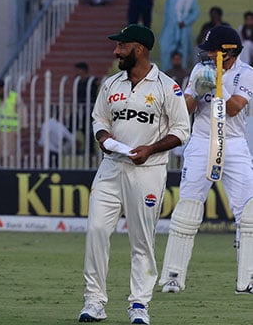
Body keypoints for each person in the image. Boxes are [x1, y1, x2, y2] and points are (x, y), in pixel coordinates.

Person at [78, 24, 190, 324]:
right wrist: (103, 138)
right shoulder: (111, 84)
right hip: (111, 168)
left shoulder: (167, 86)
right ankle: (94, 301)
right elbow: (98, 118)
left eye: (121, 46)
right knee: (97, 231)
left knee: (142, 240)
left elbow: (182, 131)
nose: (116, 51)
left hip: (148, 172)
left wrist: (150, 149)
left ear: (139, 49)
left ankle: (139, 305)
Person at [159, 25, 253, 295]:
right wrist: (197, 91)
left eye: (213, 50)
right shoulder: (201, 71)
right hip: (201, 140)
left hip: (234, 144)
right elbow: (185, 109)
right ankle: (173, 277)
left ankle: (247, 279)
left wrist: (218, 86)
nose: (208, 55)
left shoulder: (246, 74)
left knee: (249, 211)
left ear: (228, 51)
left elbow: (234, 108)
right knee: (188, 206)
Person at [159, 0, 199, 70]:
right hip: (169, 28)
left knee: (183, 52)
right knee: (166, 51)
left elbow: (195, 13)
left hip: (183, 29)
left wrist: (185, 22)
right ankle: (166, 74)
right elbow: (167, 12)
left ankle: (181, 78)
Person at [0, 78, 26, 166]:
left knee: (10, 154)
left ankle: (10, 168)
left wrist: (23, 127)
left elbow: (23, 113)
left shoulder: (14, 97)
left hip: (12, 131)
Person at [73, 62, 99, 157]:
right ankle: (76, 147)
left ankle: (90, 152)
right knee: (72, 126)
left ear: (83, 70)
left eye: (78, 70)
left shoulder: (92, 81)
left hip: (89, 110)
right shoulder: (77, 81)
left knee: (88, 131)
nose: (76, 72)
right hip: (79, 110)